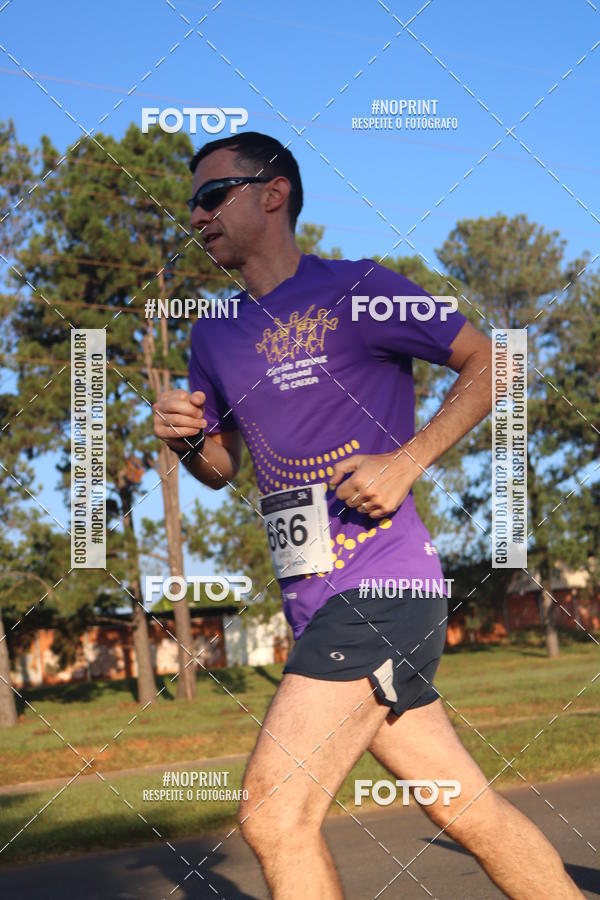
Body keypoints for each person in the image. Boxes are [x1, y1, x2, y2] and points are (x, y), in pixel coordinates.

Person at [152, 131, 584, 899]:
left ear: (272, 193)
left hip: (384, 587)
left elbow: (497, 361)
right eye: (192, 203)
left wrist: (408, 460)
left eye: (211, 196)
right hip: (316, 604)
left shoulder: (360, 288)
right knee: (466, 810)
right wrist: (185, 441)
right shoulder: (212, 334)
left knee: (273, 816)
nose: (196, 216)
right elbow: (222, 471)